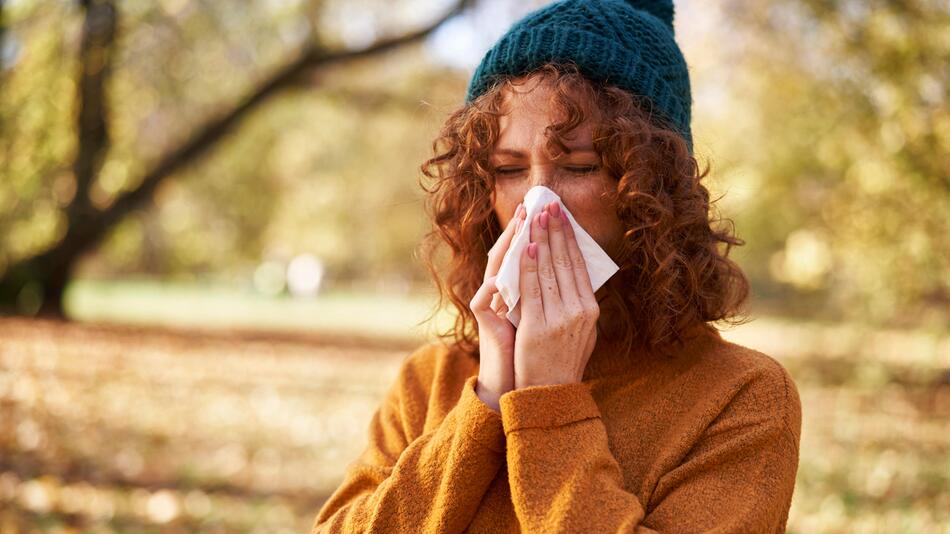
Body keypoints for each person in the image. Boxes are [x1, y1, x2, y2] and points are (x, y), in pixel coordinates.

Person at [312, 0, 802, 532]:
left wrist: (549, 405)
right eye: (508, 169)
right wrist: (491, 399)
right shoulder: (432, 379)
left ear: (653, 187)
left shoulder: (741, 397)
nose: (538, 201)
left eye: (580, 166)